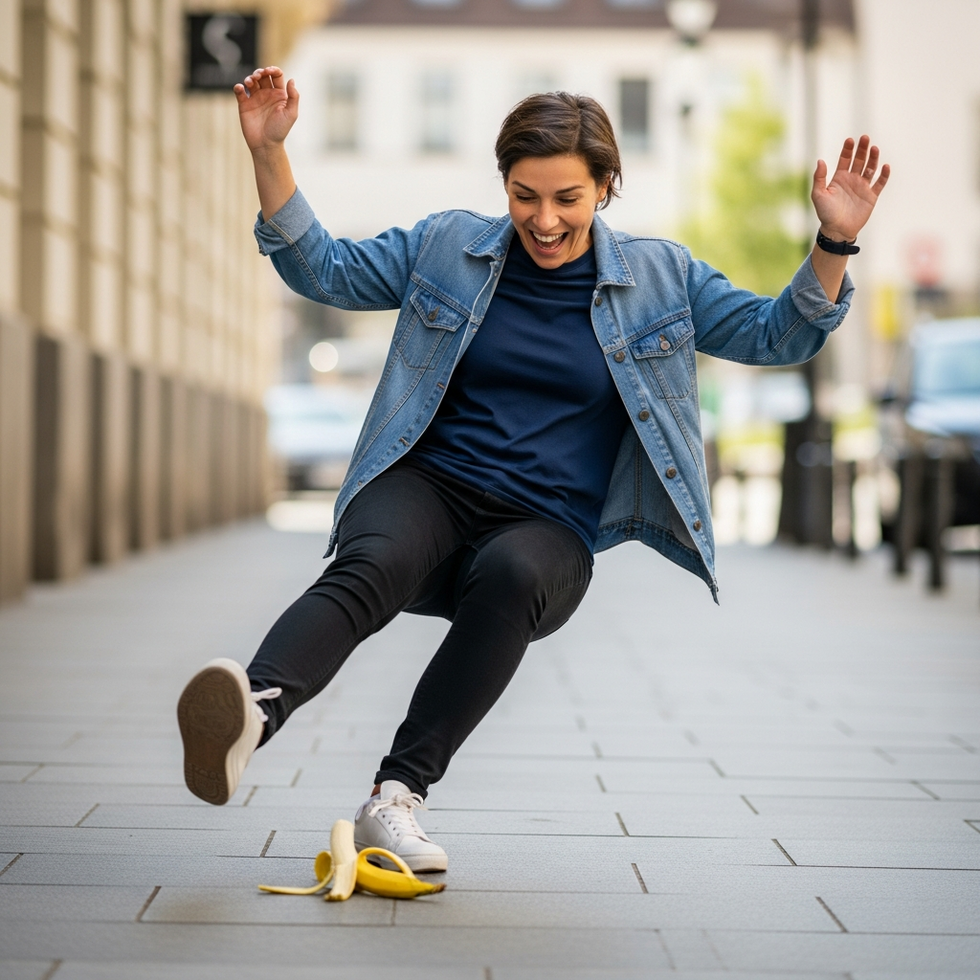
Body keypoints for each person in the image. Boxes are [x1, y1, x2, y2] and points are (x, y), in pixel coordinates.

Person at [177, 66, 889, 874]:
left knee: (514, 573)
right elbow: (327, 272)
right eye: (524, 196)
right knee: (374, 558)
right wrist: (270, 154)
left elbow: (777, 337)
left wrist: (833, 243)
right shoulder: (447, 246)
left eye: (566, 200)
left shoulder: (661, 277)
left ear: (606, 189)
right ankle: (254, 712)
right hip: (431, 484)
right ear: (504, 185)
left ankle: (395, 799)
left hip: (547, 525)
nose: (543, 221)